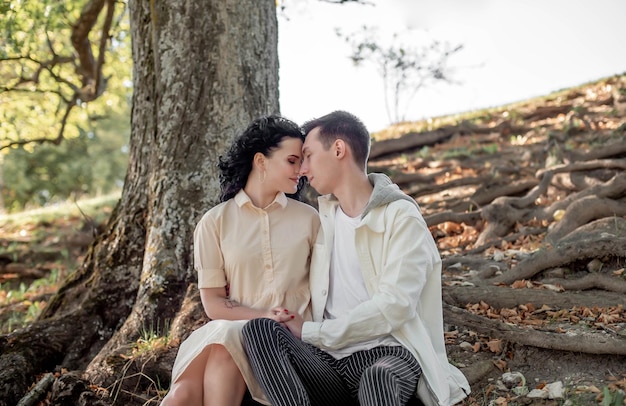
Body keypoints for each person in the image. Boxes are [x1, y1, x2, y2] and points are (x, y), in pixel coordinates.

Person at [242, 111, 471, 406]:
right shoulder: (321, 220)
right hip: (327, 362)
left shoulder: (400, 216)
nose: (302, 170)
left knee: (378, 380)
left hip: (388, 353)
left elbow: (395, 306)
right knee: (259, 331)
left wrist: (314, 331)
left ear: (338, 149)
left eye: (308, 156)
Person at [161, 115, 320, 406]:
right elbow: (214, 305)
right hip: (232, 331)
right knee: (182, 395)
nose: (301, 171)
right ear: (261, 161)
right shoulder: (213, 223)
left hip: (287, 340)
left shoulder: (310, 219)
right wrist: (262, 317)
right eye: (292, 161)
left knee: (223, 346)